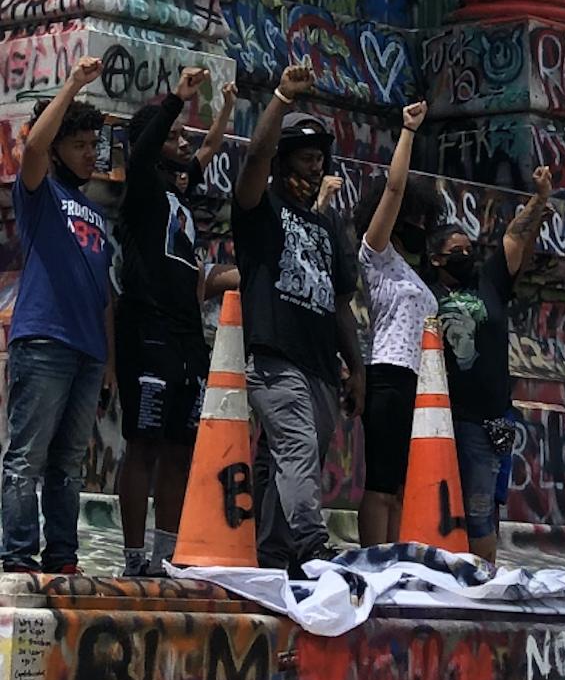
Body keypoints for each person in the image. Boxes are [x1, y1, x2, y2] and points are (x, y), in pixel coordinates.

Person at [233, 65, 364, 572]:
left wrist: (357, 369)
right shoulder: (259, 209)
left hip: (322, 368)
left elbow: (337, 304)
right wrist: (282, 98)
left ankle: (272, 554)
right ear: (284, 162)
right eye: (307, 160)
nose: (316, 169)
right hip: (275, 358)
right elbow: (255, 156)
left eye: (321, 160)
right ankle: (312, 546)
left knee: (280, 461)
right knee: (297, 448)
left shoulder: (326, 227)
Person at [115, 71, 240, 577]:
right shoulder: (142, 193)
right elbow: (143, 152)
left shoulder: (180, 199)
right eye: (172, 135)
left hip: (188, 338)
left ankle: (166, 555)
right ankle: (132, 556)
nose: (181, 140)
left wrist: (226, 111)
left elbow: (205, 151)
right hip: (147, 331)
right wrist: (175, 101)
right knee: (142, 443)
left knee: (179, 448)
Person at [1, 57, 114, 573]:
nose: (91, 155)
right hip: (43, 341)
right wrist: (72, 84)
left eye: (95, 145)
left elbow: (104, 293)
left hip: (88, 350)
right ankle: (18, 556)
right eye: (81, 145)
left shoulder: (96, 211)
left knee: (69, 464)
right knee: (27, 456)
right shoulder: (40, 193)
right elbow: (33, 148)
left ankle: (63, 556)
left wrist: (107, 358)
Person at [426, 165, 551, 562]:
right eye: (455, 253)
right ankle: (472, 571)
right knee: (462, 506)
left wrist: (541, 197)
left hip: (493, 416)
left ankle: (484, 572)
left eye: (469, 250)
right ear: (435, 259)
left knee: (485, 505)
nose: (465, 257)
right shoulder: (425, 292)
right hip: (450, 416)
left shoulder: (489, 282)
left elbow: (514, 237)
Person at [353, 100, 445, 546]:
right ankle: (374, 556)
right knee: (382, 481)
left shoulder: (418, 275)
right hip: (387, 373)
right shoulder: (376, 256)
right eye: (413, 217)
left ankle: (396, 557)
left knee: (405, 485)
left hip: (420, 383)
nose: (417, 225)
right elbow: (393, 189)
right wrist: (408, 132)